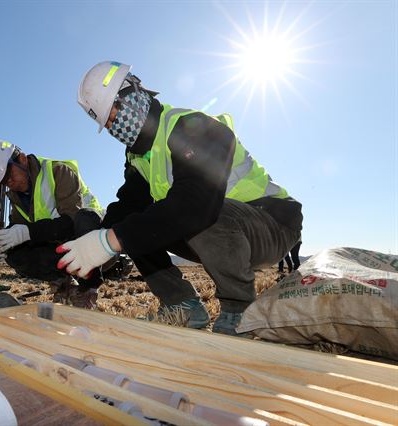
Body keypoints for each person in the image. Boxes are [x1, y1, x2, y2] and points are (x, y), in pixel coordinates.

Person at [57, 61, 303, 335]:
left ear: (134, 91)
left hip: (273, 222)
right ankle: (182, 304)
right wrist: (92, 253)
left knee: (191, 211)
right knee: (132, 224)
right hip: (226, 233)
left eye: (116, 112)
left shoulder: (192, 127)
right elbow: (127, 208)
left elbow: (198, 204)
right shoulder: (138, 157)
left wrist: (112, 240)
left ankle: (240, 310)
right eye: (109, 123)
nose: (116, 126)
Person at [0, 139, 104, 308]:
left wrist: (26, 232)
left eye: (9, 175)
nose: (10, 183)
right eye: (4, 182)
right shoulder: (16, 197)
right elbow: (18, 227)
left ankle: (88, 289)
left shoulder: (58, 171)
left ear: (21, 159)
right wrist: (4, 242)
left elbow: (71, 221)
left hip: (94, 243)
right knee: (16, 253)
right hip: (60, 246)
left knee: (85, 218)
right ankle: (64, 285)